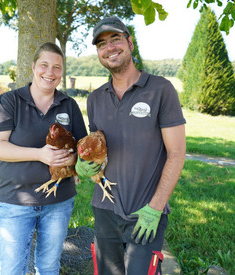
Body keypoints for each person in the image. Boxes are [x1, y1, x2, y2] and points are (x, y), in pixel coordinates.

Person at [76, 17, 186, 274]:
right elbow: (99, 149)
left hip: (146, 211)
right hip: (105, 210)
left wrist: (156, 208)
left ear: (130, 43)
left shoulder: (160, 89)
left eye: (115, 39)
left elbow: (177, 153)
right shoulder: (95, 98)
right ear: (98, 53)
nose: (110, 47)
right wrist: (86, 166)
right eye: (102, 44)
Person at [0, 42, 87, 275]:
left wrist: (73, 161)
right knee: (12, 270)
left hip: (58, 202)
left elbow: (81, 150)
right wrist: (40, 154)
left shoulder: (69, 105)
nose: (50, 73)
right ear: (33, 67)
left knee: (49, 267)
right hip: (16, 200)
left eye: (57, 67)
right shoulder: (10, 102)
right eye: (44, 65)